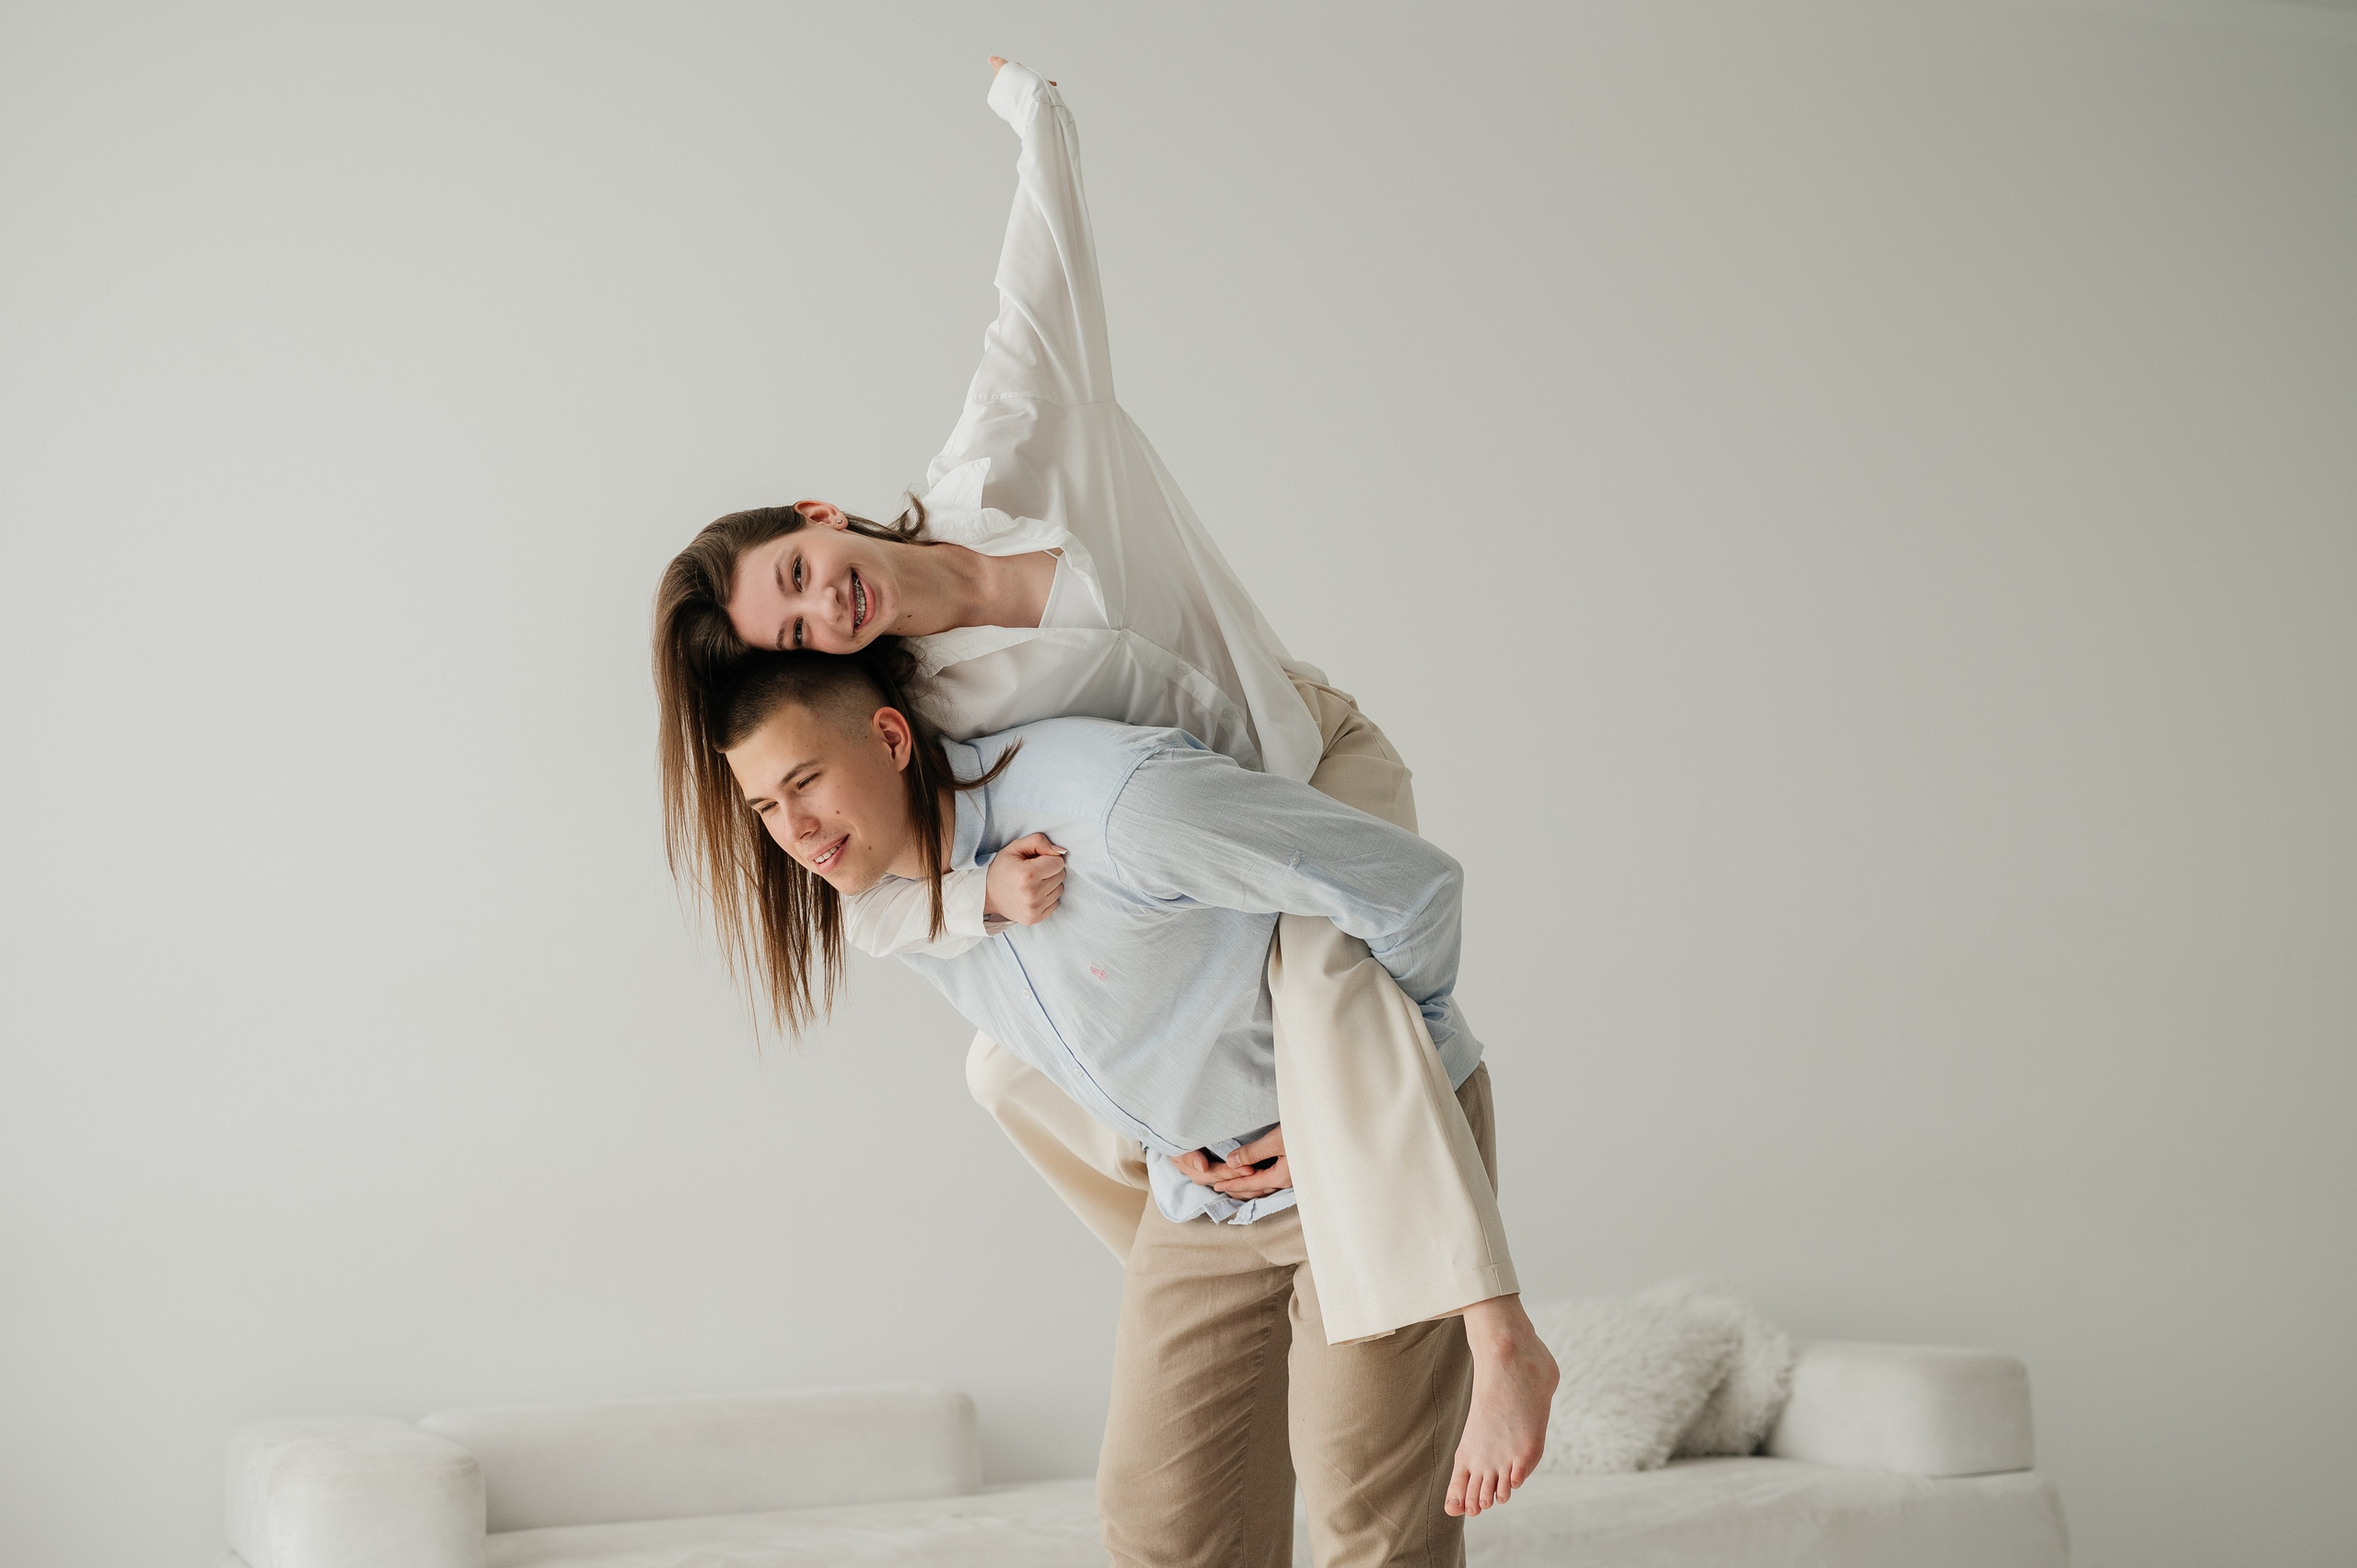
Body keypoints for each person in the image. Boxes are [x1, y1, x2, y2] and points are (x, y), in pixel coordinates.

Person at [652, 58, 1554, 1515]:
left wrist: (1037, 123)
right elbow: (893, 893)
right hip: (1209, 828)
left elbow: (1039, 299)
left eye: (806, 574)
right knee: (1003, 1061)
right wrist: (974, 894)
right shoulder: (928, 709)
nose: (828, 609)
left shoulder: (990, 465)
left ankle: (1500, 1326)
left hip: (1304, 745)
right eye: (800, 630)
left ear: (821, 515)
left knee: (1336, 977)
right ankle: (1184, 1192)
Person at [707, 645, 1558, 1562]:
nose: (796, 828)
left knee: (1369, 1511)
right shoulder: (882, 893)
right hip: (1203, 1194)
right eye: (766, 807)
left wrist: (1356, 1093)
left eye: (806, 782)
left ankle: (1506, 1345)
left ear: (889, 738)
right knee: (1162, 1521)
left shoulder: (1117, 806)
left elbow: (1412, 886)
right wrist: (1154, 1129)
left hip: (1356, 1158)